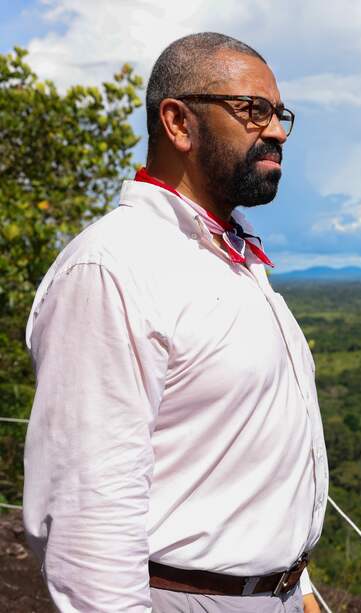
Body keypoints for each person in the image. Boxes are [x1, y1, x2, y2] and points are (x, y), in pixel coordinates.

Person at [22, 32, 327, 613]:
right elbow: (89, 512)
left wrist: (298, 588)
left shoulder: (229, 259)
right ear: (178, 122)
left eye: (281, 114)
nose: (278, 131)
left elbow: (243, 453)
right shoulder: (114, 267)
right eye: (253, 110)